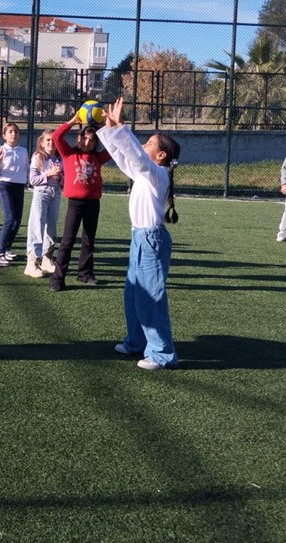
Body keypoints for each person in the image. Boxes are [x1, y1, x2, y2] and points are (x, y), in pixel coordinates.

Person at [97, 97, 181, 371]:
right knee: (133, 294)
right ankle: (136, 342)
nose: (144, 145)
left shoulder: (158, 174)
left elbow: (137, 157)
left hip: (151, 240)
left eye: (149, 143)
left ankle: (162, 354)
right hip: (140, 238)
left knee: (150, 298)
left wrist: (122, 127)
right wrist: (111, 130)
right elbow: (125, 159)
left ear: (161, 155)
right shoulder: (147, 172)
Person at [50, 113, 113, 291]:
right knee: (67, 241)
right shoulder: (68, 153)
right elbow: (56, 137)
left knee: (89, 240)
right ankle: (58, 279)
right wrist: (72, 121)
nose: (87, 143)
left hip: (93, 204)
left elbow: (113, 147)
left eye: (92, 140)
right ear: (79, 138)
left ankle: (85, 273)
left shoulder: (98, 158)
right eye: (84, 138)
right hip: (75, 204)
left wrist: (109, 126)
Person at [0, 122, 29, 267]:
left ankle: (7, 249)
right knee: (9, 218)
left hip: (19, 187)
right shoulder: (0, 150)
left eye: (16, 132)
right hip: (5, 186)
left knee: (17, 221)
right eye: (10, 132)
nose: (13, 134)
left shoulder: (23, 151)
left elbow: (27, 169)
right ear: (4, 135)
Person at [25, 129, 63, 279]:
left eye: (53, 140)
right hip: (42, 193)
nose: (51, 143)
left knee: (52, 227)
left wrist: (60, 177)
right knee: (37, 226)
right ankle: (31, 262)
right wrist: (48, 174)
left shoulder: (60, 158)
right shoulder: (37, 157)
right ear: (41, 142)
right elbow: (33, 180)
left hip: (56, 193)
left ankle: (47, 259)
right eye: (48, 140)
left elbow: (64, 179)